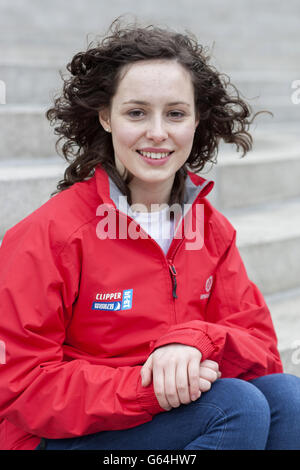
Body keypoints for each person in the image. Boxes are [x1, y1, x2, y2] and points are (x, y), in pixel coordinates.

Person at [0, 18, 300, 451]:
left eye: (175, 114)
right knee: (236, 407)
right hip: (56, 436)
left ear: (197, 121)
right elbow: (21, 385)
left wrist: (196, 341)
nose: (157, 132)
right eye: (137, 112)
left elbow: (261, 352)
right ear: (105, 117)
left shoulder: (209, 229)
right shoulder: (51, 234)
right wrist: (150, 386)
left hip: (162, 417)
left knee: (288, 398)